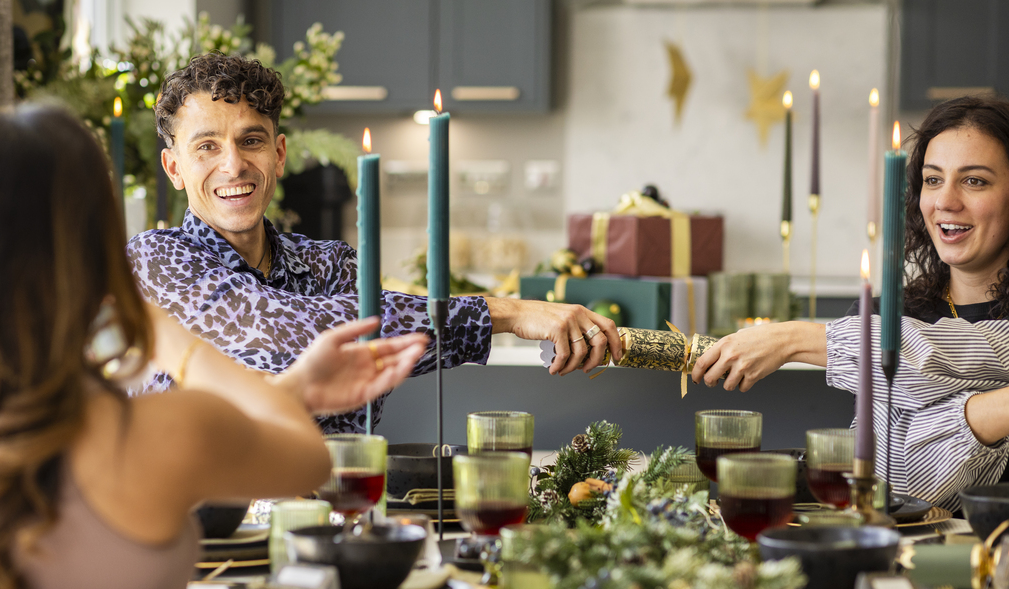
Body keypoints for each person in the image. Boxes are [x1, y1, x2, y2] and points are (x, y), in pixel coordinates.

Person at [0, 106, 427, 589]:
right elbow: (303, 460)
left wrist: (295, 385)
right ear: (92, 249)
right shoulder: (148, 434)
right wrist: (177, 341)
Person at [128, 53, 623, 433]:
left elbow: (360, 396)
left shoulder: (331, 265)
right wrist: (508, 313)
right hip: (194, 533)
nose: (233, 165)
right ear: (175, 168)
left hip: (326, 519)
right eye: (207, 147)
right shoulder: (154, 260)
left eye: (251, 141)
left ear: (278, 155)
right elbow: (277, 330)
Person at [692, 95, 1009, 511]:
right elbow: (887, 481)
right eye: (932, 180)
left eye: (974, 181)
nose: (945, 201)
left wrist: (793, 338)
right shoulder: (885, 314)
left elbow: (965, 352)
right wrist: (990, 410)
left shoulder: (870, 330)